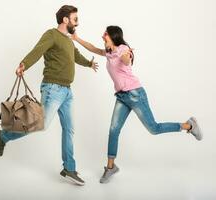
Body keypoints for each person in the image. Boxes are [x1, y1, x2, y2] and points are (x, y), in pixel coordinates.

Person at [71, 25, 203, 184]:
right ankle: (111, 167)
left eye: (105, 33)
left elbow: (127, 61)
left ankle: (188, 125)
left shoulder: (122, 49)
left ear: (113, 35)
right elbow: (93, 48)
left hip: (135, 95)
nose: (102, 35)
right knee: (113, 130)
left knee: (153, 128)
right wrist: (76, 38)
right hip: (121, 97)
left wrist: (127, 54)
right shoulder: (109, 51)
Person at [0, 5, 98, 186]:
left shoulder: (68, 40)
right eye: (75, 19)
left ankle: (69, 168)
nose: (77, 23)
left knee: (69, 129)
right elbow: (38, 50)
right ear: (65, 20)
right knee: (39, 125)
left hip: (67, 91)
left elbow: (76, 56)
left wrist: (89, 64)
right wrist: (23, 64)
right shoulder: (51, 35)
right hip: (53, 89)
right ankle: (3, 136)